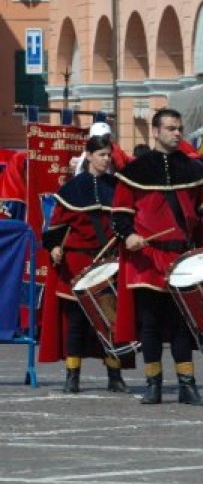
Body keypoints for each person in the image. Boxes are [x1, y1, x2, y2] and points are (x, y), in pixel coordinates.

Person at [112, 108, 203, 406]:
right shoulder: (135, 171)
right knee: (150, 324)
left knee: (181, 324)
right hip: (148, 260)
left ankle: (187, 385)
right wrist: (129, 236)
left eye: (179, 129)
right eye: (171, 129)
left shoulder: (194, 170)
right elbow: (120, 216)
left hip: (182, 257)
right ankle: (154, 384)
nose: (177, 133)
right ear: (156, 132)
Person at [39, 135, 128, 393]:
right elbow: (55, 227)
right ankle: (72, 375)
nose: (106, 159)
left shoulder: (118, 186)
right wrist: (55, 247)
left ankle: (114, 374)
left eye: (109, 155)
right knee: (76, 322)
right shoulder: (72, 189)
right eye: (101, 154)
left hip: (109, 261)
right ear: (88, 156)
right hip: (78, 262)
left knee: (110, 321)